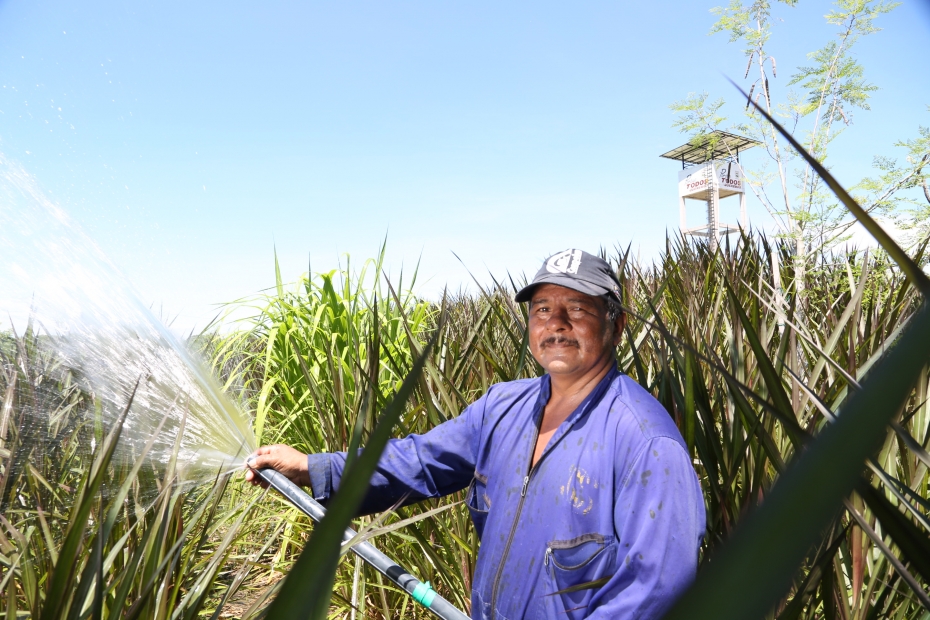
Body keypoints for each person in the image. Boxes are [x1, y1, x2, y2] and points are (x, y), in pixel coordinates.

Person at [246, 248, 705, 620]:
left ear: (616, 325)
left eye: (578, 309)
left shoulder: (645, 441)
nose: (557, 323)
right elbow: (418, 461)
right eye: (543, 308)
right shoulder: (500, 407)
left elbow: (657, 587)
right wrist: (312, 468)